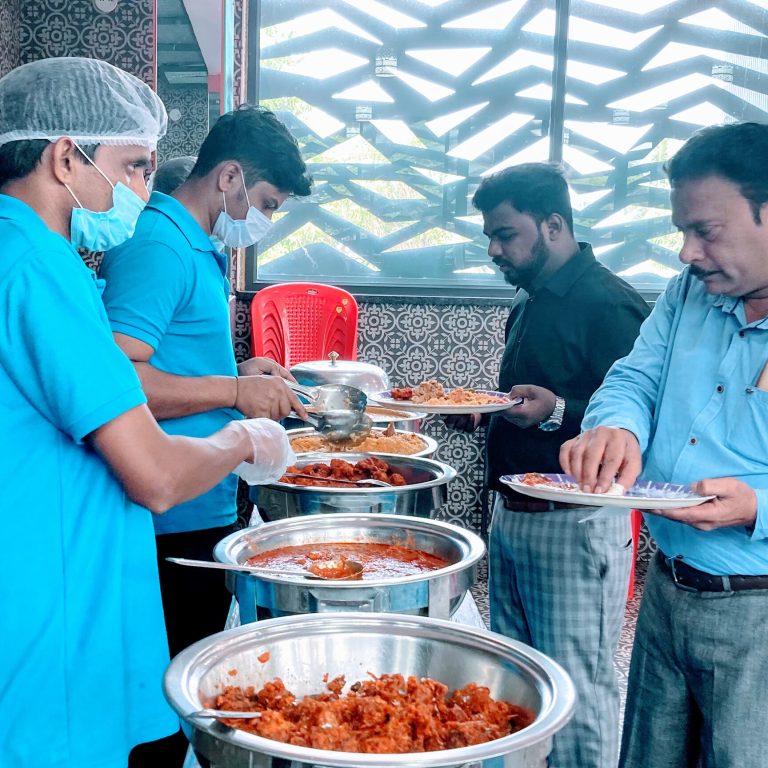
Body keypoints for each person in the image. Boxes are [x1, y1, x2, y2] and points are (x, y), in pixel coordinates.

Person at [0, 57, 295, 768]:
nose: (142, 189)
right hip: (48, 598)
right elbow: (155, 474)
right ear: (65, 157)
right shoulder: (40, 267)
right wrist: (243, 436)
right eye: (133, 167)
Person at [99, 105, 312, 765]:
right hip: (170, 517)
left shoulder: (195, 243)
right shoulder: (160, 245)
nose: (263, 219)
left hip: (201, 500)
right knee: (163, 709)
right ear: (229, 177)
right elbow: (119, 379)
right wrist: (233, 393)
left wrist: (239, 372)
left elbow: (168, 358)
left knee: (185, 691)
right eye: (266, 203)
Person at [561, 122, 768, 768]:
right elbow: (635, 377)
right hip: (668, 590)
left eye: (706, 231)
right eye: (682, 230)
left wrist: (757, 505)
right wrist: (617, 426)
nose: (686, 253)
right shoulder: (689, 294)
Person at [448, 163, 649, 768]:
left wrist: (557, 410)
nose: (494, 250)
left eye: (506, 234)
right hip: (514, 513)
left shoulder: (608, 303)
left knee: (576, 686)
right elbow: (527, 401)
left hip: (574, 522)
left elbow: (639, 420)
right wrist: (486, 410)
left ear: (554, 225)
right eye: (490, 236)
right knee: (520, 679)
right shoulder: (529, 298)